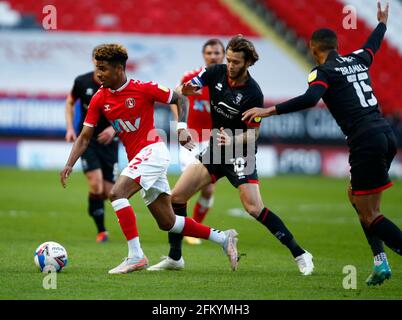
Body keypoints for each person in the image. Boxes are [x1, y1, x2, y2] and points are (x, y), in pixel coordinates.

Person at [242, 2, 401, 285]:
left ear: (314, 49)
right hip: (386, 134)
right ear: (336, 45)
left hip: (365, 140)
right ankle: (380, 261)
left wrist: (268, 110)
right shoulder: (356, 60)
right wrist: (382, 24)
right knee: (355, 196)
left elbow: (310, 99)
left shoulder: (322, 72)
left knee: (370, 212)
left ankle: (386, 258)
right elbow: (372, 46)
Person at [60, 44, 239, 274]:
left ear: (119, 69)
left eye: (103, 69)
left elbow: (180, 99)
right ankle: (224, 239)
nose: (99, 74)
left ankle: (136, 256)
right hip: (139, 158)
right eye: (97, 68)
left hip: (153, 151)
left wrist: (182, 128)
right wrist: (69, 163)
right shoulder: (99, 98)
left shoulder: (143, 88)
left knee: (116, 193)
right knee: (168, 222)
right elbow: (84, 137)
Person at [148, 35, 314, 275]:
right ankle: (175, 258)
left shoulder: (253, 93)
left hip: (240, 152)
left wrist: (233, 139)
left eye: (236, 61)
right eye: (229, 60)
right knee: (177, 197)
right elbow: (180, 92)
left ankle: (300, 253)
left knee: (254, 208)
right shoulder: (215, 72)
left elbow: (253, 135)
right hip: (216, 149)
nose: (231, 65)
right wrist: (182, 91)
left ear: (248, 63)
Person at [170, 38, 225, 246]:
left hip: (214, 141)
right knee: (187, 186)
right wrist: (180, 126)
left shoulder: (229, 80)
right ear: (204, 55)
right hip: (192, 139)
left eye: (217, 53)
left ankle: (192, 227)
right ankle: (184, 226)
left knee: (208, 189)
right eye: (209, 53)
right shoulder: (192, 78)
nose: (213, 56)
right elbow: (174, 98)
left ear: (223, 55)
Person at [65, 46, 118, 243]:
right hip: (87, 140)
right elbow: (69, 102)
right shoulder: (82, 82)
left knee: (107, 193)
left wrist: (114, 129)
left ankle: (94, 206)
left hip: (111, 143)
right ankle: (102, 231)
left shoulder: (116, 84)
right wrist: (70, 127)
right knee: (96, 186)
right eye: (98, 61)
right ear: (93, 61)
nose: (100, 66)